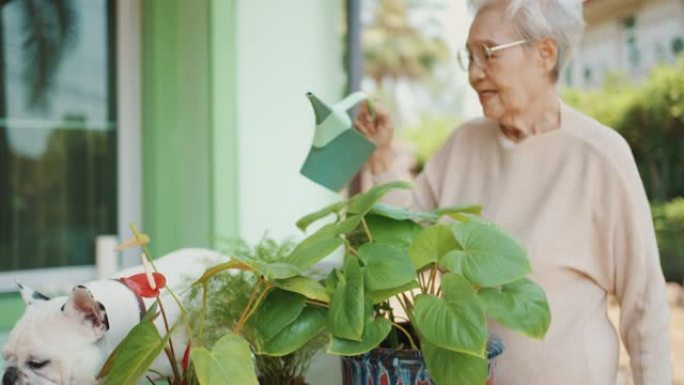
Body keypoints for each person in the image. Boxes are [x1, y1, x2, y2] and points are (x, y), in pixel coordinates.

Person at [353, 0, 672, 384]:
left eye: (487, 54)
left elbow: (644, 304)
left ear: (545, 54)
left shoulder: (601, 155)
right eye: (468, 57)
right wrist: (383, 156)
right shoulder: (462, 144)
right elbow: (405, 239)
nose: (473, 74)